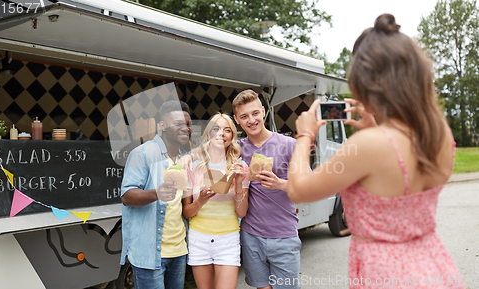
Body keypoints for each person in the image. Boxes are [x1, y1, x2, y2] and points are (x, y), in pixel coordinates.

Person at [288, 14, 463, 288]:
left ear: (364, 83)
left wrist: (305, 134)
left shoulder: (369, 146)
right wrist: (374, 127)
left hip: (388, 275)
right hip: (434, 267)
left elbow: (298, 189)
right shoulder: (439, 133)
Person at [233, 90, 302, 289]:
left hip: (284, 236)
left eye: (255, 113)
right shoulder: (237, 149)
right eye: (244, 116)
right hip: (251, 236)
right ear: (237, 120)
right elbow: (207, 154)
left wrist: (280, 183)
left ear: (263, 111)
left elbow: (308, 186)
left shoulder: (289, 145)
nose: (251, 120)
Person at [120, 100, 192, 289]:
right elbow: (127, 196)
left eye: (188, 124)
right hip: (150, 252)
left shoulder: (184, 159)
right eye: (178, 123)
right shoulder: (143, 153)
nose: (185, 128)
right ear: (162, 125)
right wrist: (156, 193)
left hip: (179, 250)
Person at [182, 112, 249, 289]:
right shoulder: (193, 166)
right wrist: (200, 201)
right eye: (216, 129)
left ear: (232, 137)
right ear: (208, 134)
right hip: (199, 238)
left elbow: (242, 212)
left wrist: (239, 182)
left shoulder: (240, 167)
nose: (222, 133)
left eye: (227, 130)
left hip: (228, 239)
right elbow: (187, 212)